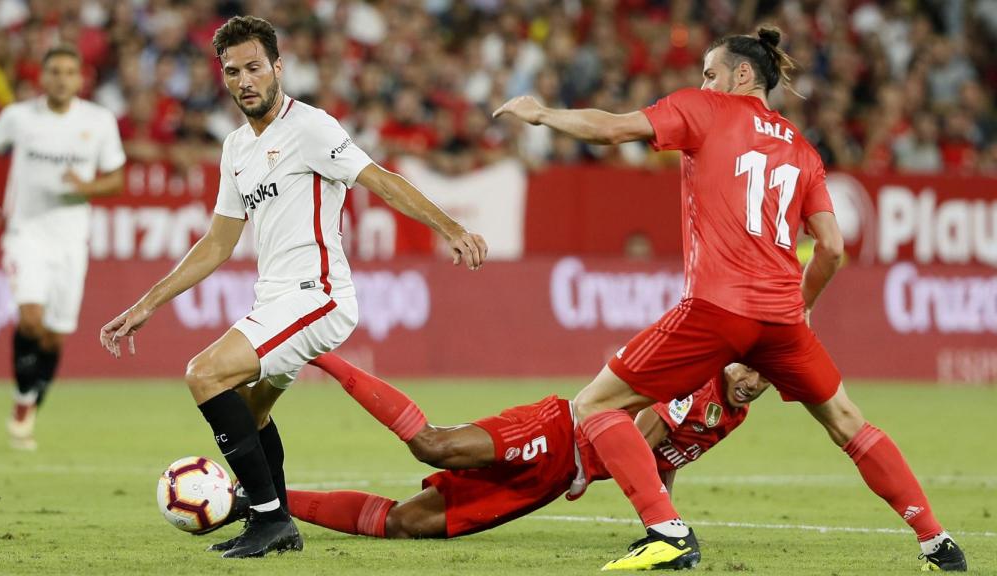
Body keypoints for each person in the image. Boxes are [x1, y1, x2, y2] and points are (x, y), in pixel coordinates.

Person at [494, 26, 966, 572]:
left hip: (717, 308)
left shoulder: (706, 110)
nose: (703, 83)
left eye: (710, 73)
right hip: (782, 319)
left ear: (742, 74)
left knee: (597, 405)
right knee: (848, 422)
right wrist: (803, 303)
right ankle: (936, 541)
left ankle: (666, 530)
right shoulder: (803, 149)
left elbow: (613, 129)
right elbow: (833, 248)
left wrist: (542, 114)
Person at [99, 16, 487, 559]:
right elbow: (217, 243)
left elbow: (382, 181)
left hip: (318, 295)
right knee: (251, 412)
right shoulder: (236, 148)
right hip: (276, 299)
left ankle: (268, 518)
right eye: (232, 72)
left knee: (205, 374)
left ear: (278, 67)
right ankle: (275, 520)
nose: (244, 81)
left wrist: (452, 229)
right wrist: (148, 303)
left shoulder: (311, 127)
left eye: (254, 67)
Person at [269, 354, 769, 539]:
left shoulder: (734, 412)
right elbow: (640, 441)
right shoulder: (696, 386)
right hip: (557, 433)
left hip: (555, 477)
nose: (751, 383)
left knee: (405, 524)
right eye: (747, 369)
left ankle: (264, 501)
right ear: (731, 360)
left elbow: (658, 462)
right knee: (433, 445)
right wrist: (658, 517)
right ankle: (321, 353)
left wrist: (661, 517)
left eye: (764, 378)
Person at [0, 44, 125, 451]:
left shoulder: (98, 121)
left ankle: (30, 402)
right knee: (31, 320)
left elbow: (116, 179)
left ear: (80, 79)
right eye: (54, 71)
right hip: (25, 234)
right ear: (42, 77)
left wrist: (87, 187)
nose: (61, 79)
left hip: (72, 241)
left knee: (55, 338)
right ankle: (24, 401)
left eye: (69, 72)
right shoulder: (19, 117)